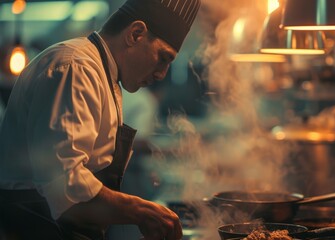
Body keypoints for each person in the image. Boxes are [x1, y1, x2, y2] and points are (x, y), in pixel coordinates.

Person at [0, 0, 201, 239]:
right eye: (163, 58)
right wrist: (141, 211)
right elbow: (67, 186)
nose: (161, 74)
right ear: (135, 34)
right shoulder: (75, 67)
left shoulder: (104, 73)